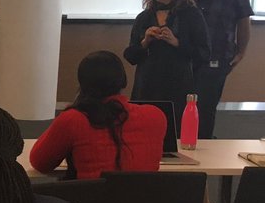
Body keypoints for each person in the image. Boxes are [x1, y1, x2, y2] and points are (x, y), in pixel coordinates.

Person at [30, 50, 166, 179]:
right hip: (146, 202)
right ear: (124, 80)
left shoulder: (74, 119)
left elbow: (40, 162)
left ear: (82, 84)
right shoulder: (155, 116)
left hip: (89, 202)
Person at [123, 0, 210, 123]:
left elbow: (204, 53)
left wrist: (176, 42)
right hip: (147, 85)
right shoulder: (144, 17)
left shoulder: (191, 15)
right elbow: (130, 56)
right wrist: (145, 41)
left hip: (177, 84)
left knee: (173, 131)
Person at [186, 0, 253, 139]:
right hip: (186, 56)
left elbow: (244, 23)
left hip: (217, 57)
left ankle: (204, 150)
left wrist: (241, 52)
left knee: (206, 107)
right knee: (181, 104)